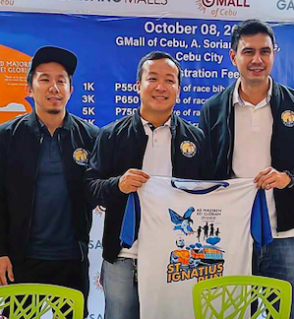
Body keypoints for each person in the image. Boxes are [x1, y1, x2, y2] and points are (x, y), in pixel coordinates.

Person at [199, 19, 294, 307]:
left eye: (265, 51)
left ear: (274, 55)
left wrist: (287, 178)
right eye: (248, 52)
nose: (257, 59)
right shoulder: (213, 109)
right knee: (231, 311)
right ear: (233, 57)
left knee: (282, 312)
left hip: (286, 236)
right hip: (231, 235)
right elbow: (203, 173)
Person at [86, 51, 213, 319]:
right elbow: (89, 188)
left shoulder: (197, 139)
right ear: (138, 86)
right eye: (152, 78)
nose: (160, 87)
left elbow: (211, 197)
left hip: (178, 258)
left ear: (178, 88)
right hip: (124, 256)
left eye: (169, 80)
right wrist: (118, 185)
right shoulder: (111, 135)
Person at [0, 46, 99, 316]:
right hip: (22, 259)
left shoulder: (90, 136)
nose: (54, 87)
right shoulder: (8, 135)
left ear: (71, 90)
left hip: (72, 259)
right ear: (29, 88)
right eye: (45, 79)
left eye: (61, 80)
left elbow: (99, 189)